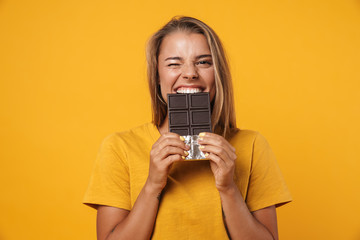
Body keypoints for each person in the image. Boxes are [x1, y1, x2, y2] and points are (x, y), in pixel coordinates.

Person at [83, 16, 292, 240]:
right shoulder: (119, 147)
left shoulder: (251, 145)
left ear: (218, 74)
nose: (190, 73)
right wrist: (153, 185)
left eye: (203, 62)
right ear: (157, 76)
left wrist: (229, 188)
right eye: (174, 63)